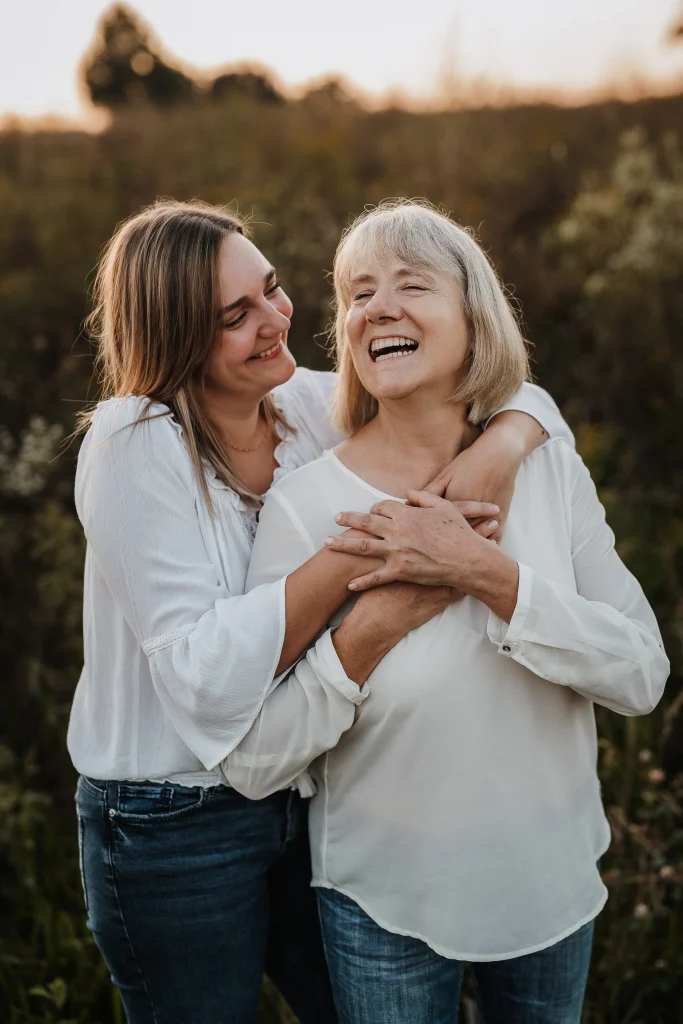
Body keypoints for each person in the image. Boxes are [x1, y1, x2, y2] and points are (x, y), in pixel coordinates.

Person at [69, 199, 571, 1024]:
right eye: (236, 316)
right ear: (174, 337)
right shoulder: (133, 440)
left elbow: (494, 385)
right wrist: (375, 543)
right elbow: (198, 677)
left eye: (272, 289)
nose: (275, 321)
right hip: (169, 822)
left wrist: (504, 441)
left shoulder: (301, 405)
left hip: (295, 788)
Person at [223, 200, 670, 1024]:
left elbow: (640, 673)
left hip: (550, 882)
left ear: (474, 317)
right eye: (357, 293)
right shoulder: (305, 508)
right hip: (381, 899)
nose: (378, 306)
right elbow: (253, 760)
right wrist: (374, 627)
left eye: (410, 284)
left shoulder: (542, 464)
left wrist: (490, 577)